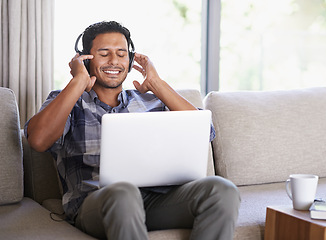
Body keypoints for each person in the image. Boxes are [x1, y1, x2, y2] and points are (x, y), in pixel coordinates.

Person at [25, 21, 240, 240]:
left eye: (121, 54)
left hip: (158, 199)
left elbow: (205, 132)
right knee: (123, 193)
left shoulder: (151, 102)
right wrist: (78, 81)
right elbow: (38, 140)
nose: (114, 61)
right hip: (99, 203)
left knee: (222, 189)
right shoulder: (69, 101)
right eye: (104, 53)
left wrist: (157, 83)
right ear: (84, 59)